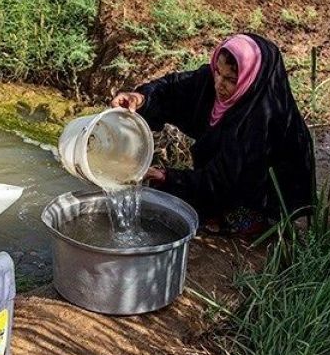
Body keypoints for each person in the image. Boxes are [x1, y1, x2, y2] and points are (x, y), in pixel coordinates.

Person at [110, 33, 315, 236]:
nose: (218, 83)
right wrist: (141, 98)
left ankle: (256, 219)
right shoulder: (213, 83)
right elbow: (174, 88)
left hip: (261, 190)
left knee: (189, 204)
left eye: (230, 79)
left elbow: (224, 180)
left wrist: (167, 176)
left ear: (249, 79)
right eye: (217, 71)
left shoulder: (260, 120)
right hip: (225, 172)